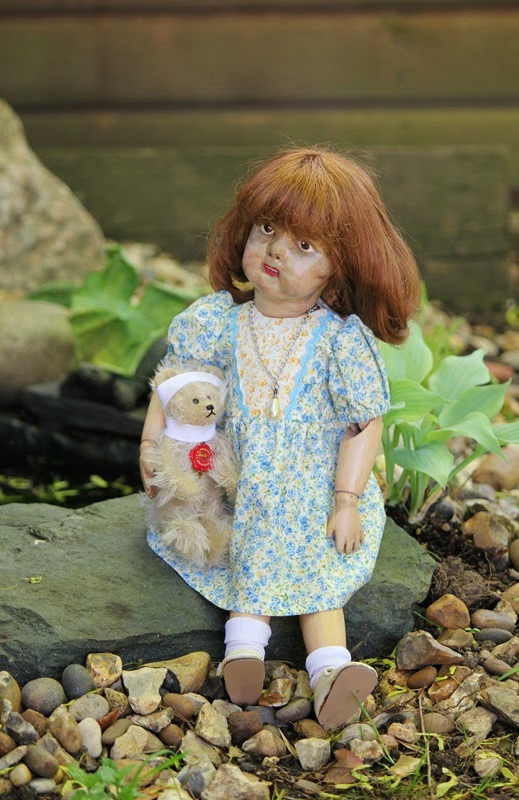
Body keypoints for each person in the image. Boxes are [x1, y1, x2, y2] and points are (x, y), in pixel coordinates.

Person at [140, 147, 420, 729]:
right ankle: (243, 653)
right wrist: (152, 449)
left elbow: (363, 423)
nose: (275, 251)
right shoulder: (220, 320)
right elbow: (174, 385)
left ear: (340, 268)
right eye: (267, 229)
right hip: (237, 477)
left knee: (320, 570)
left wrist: (346, 500)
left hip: (315, 487)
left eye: (305, 245)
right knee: (244, 546)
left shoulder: (340, 340)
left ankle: (331, 670)